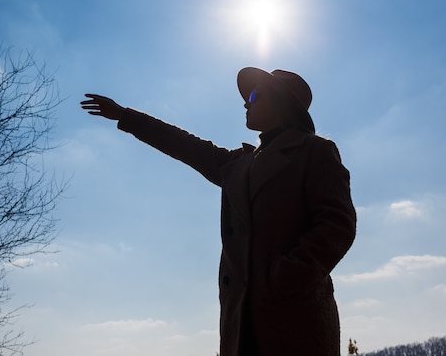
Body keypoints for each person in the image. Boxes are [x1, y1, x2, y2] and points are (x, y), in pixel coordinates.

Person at [80, 67, 357, 356]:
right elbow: (183, 144)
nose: (246, 102)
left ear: (280, 103)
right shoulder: (238, 164)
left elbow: (338, 224)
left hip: (296, 323)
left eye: (254, 94)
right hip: (242, 326)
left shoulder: (315, 151)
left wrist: (284, 278)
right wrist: (125, 116)